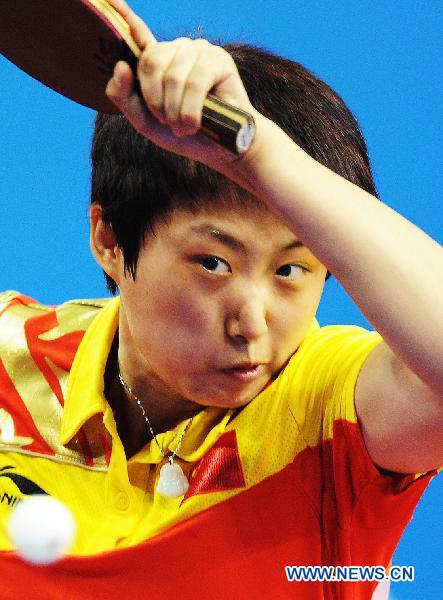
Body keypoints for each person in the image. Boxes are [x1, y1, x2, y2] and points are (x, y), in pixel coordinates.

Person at [0, 0, 441, 597]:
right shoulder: (10, 358)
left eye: (292, 268)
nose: (252, 324)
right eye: (213, 263)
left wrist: (260, 154)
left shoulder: (327, 411)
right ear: (109, 239)